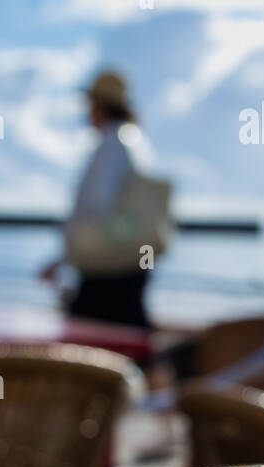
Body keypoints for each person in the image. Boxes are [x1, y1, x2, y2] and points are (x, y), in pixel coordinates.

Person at [41, 70, 159, 329]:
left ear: (101, 106)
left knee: (91, 336)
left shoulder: (113, 144)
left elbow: (98, 210)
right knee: (131, 332)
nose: (87, 111)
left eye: (90, 104)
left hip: (108, 268)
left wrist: (64, 258)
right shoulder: (133, 140)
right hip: (128, 261)